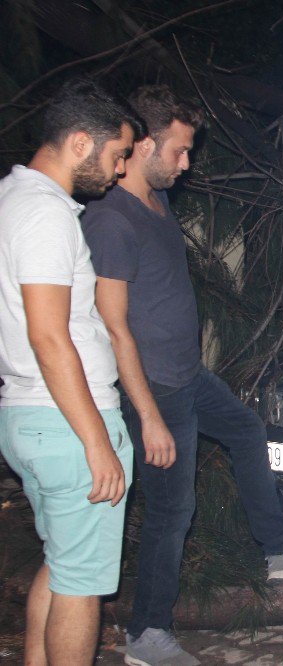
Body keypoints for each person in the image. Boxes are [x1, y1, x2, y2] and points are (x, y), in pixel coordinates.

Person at [81, 84, 283, 666]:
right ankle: (147, 634)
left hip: (187, 374)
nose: (187, 163)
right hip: (154, 388)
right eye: (180, 151)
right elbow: (113, 328)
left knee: (244, 430)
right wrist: (149, 417)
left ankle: (279, 551)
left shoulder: (155, 202)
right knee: (173, 510)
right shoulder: (111, 222)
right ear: (142, 145)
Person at [0, 78, 137, 665]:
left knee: (63, 563)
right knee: (83, 587)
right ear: (81, 142)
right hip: (66, 424)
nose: (119, 168)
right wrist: (97, 442)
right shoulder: (44, 214)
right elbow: (50, 337)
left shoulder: (16, 199)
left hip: (34, 416)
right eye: (118, 154)